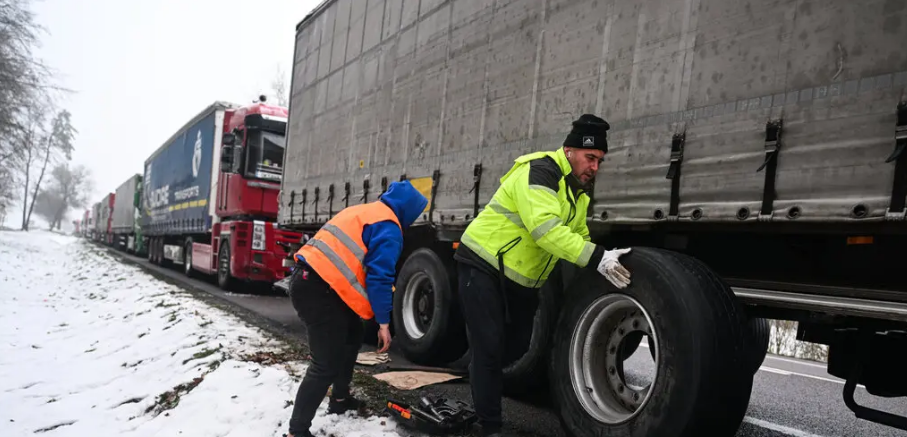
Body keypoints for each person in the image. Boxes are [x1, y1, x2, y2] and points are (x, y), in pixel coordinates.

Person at [453, 114, 633, 436]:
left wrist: (602, 261)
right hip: (482, 261)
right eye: (590, 158)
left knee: (518, 346)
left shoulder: (577, 191)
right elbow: (545, 231)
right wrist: (596, 258)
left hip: (518, 276)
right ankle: (488, 425)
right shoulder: (541, 172)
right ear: (569, 151)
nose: (594, 167)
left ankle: (481, 369)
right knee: (490, 347)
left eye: (600, 161)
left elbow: (578, 236)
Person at [285, 180, 428, 437]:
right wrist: (384, 324)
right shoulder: (389, 227)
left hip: (309, 281)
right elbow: (380, 278)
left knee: (351, 335)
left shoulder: (364, 211)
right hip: (319, 290)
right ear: (407, 211)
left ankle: (340, 399)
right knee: (324, 364)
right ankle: (297, 430)